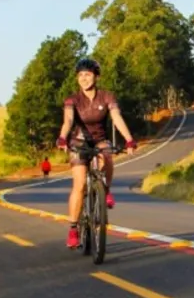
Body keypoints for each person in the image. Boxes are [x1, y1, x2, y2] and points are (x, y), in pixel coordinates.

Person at [56, 58, 136, 249]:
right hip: (79, 142)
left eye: (88, 74)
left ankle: (105, 190)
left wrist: (129, 139)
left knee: (106, 153)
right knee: (80, 183)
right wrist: (62, 137)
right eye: (81, 75)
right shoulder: (72, 100)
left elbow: (116, 117)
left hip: (100, 140)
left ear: (96, 76)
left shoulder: (107, 96)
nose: (84, 78)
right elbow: (68, 120)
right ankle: (74, 228)